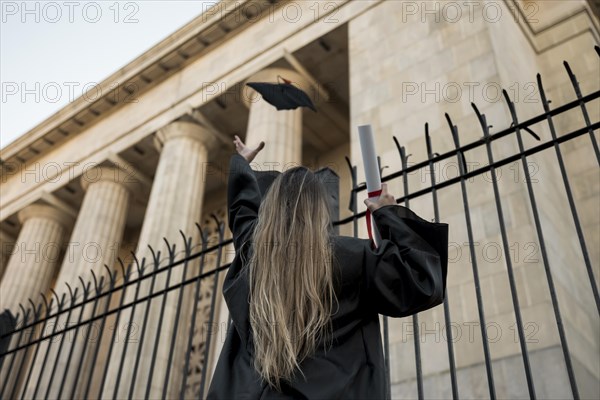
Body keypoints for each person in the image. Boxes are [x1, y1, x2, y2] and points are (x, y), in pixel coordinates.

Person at [206, 136, 449, 400]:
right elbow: (421, 280)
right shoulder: (352, 258)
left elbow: (242, 212)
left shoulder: (253, 257)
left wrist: (241, 164)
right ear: (319, 210)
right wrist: (389, 213)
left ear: (271, 209)